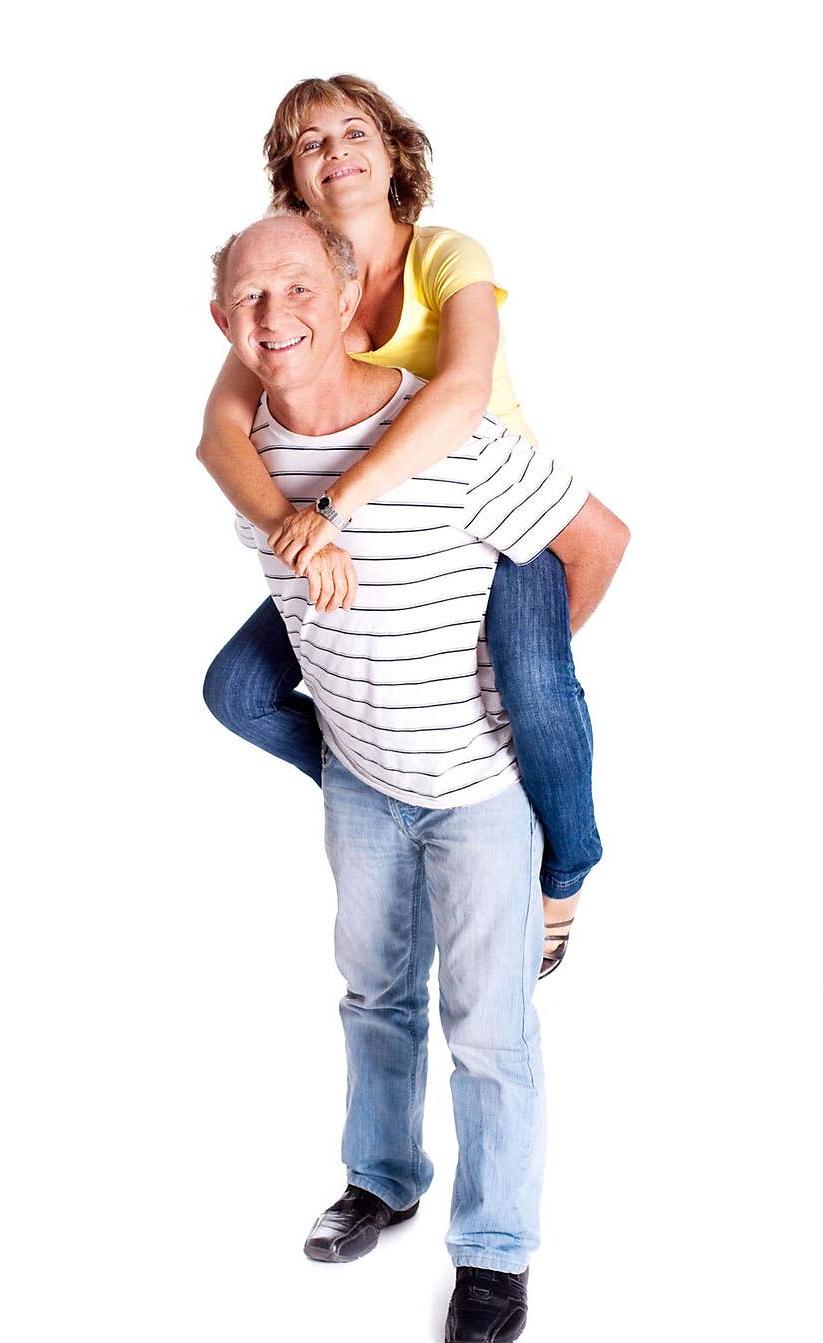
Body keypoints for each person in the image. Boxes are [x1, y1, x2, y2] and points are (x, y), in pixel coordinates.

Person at [206, 210, 630, 1343]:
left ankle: (493, 1254)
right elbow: (219, 447)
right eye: (247, 298)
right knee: (371, 999)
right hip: (358, 788)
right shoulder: (254, 462)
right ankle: (381, 1180)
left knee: (489, 1034)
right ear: (220, 324)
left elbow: (598, 541)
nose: (273, 314)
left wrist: (520, 679)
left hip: (479, 794)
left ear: (351, 303)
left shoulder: (451, 439)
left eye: (298, 287)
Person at [200, 75, 606, 978]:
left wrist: (334, 508)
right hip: (359, 548)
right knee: (237, 690)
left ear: (392, 156)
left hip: (491, 530)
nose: (335, 149)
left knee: (535, 688)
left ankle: (567, 868)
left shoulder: (447, 256)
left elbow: (462, 394)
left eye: (355, 132)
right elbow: (219, 435)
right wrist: (291, 528)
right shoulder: (292, 287)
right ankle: (379, 791)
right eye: (309, 142)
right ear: (292, 177)